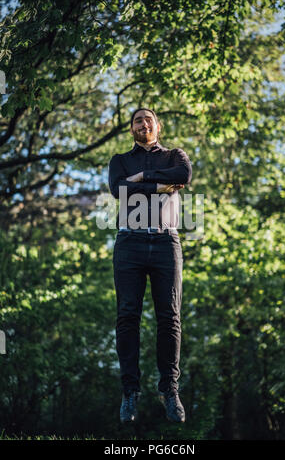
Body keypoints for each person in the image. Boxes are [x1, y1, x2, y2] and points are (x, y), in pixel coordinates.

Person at [108, 108, 192, 423]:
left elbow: (182, 177)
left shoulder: (175, 156)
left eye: (147, 119)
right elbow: (119, 190)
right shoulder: (119, 161)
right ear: (132, 129)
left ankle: (170, 390)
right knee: (127, 317)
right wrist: (155, 186)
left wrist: (141, 179)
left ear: (157, 125)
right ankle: (130, 393)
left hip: (166, 242)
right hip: (128, 242)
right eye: (136, 120)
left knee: (169, 318)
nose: (142, 124)